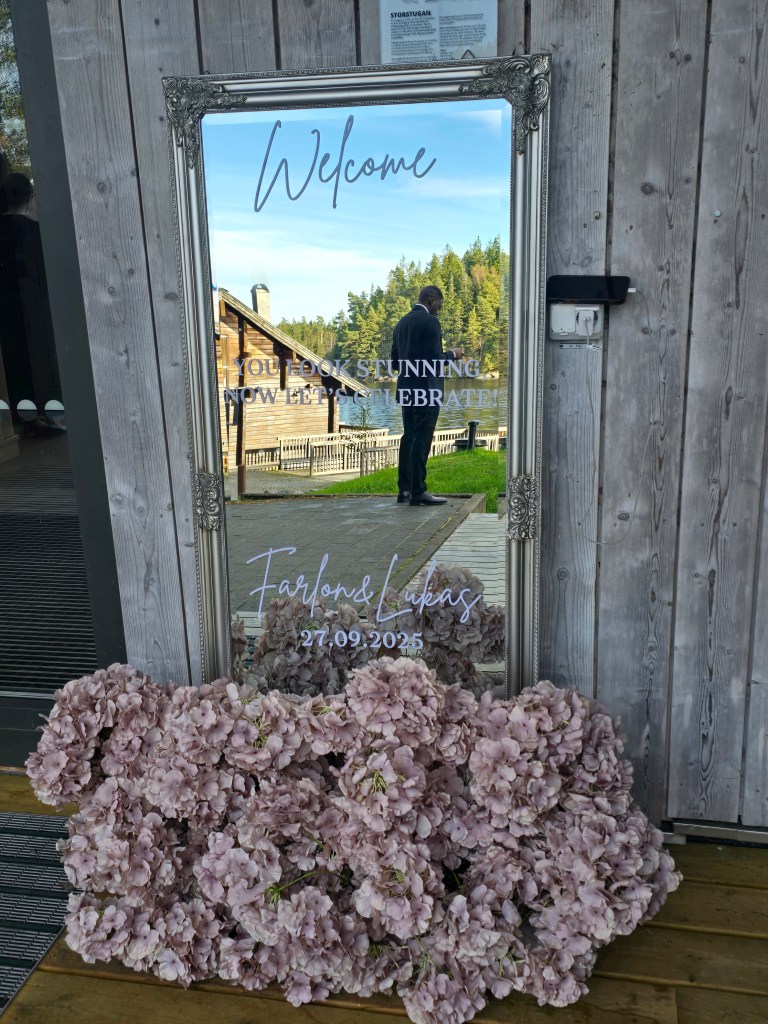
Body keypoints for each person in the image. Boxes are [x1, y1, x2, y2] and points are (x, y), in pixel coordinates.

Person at [391, 285, 463, 506]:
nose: (439, 310)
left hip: (406, 389)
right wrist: (452, 354)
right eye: (439, 305)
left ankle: (404, 490)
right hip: (427, 391)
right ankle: (419, 491)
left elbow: (395, 363)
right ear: (431, 300)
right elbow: (433, 361)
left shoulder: (401, 323)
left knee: (409, 438)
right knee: (421, 440)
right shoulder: (430, 322)